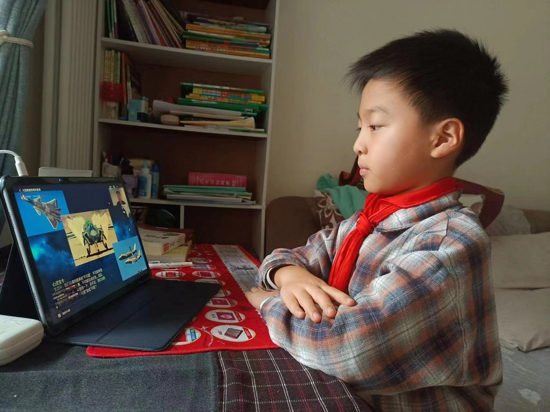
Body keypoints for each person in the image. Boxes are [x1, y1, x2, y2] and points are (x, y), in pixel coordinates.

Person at [246, 29, 508, 411]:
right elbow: (288, 256)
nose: (358, 144)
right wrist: (290, 276)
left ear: (443, 138)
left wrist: (268, 302)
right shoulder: (365, 223)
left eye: (375, 126)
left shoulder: (449, 242)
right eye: (360, 127)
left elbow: (348, 348)